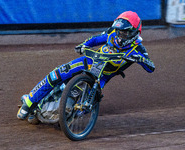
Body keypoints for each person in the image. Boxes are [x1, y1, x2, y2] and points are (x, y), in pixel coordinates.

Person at [17, 11, 155, 120]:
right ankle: (29, 102)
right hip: (89, 61)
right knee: (58, 74)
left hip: (102, 76)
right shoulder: (111, 34)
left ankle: (67, 117)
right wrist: (83, 45)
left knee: (83, 107)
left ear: (134, 33)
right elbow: (95, 39)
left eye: (124, 33)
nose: (120, 36)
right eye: (119, 31)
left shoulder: (139, 49)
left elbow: (151, 67)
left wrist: (140, 60)